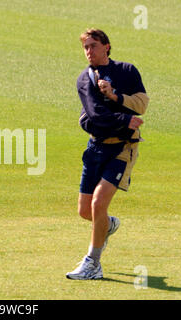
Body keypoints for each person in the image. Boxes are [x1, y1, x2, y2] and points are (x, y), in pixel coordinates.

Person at [66, 29, 149, 280]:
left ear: (107, 47)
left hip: (123, 148)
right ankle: (108, 225)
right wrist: (124, 119)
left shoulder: (127, 71)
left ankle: (93, 263)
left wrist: (115, 96)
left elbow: (142, 103)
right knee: (85, 211)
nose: (88, 51)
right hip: (95, 148)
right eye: (85, 47)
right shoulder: (85, 79)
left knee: (98, 204)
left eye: (93, 46)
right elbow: (95, 117)